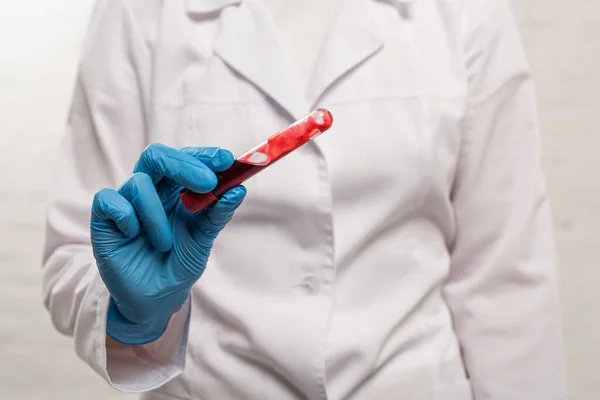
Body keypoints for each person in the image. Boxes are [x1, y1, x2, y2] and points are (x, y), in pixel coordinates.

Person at [41, 0, 567, 398]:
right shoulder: (141, 13)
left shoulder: (463, 14)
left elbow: (506, 280)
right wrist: (132, 313)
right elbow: (73, 250)